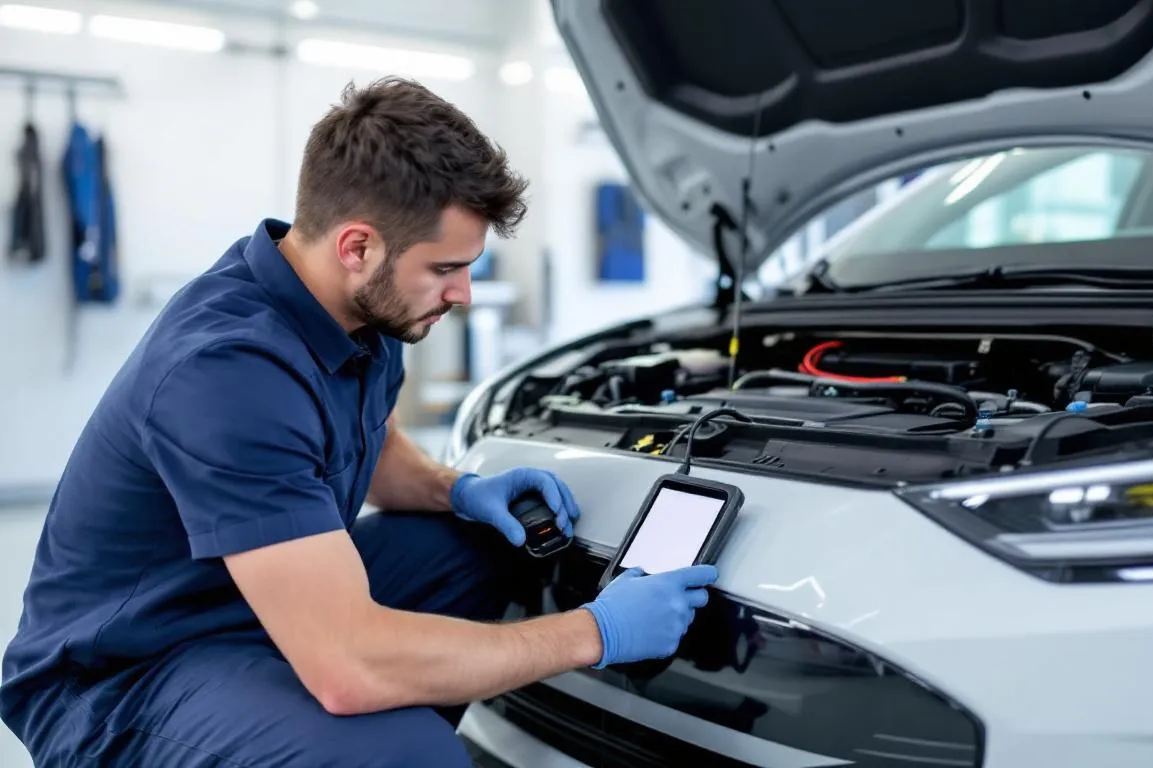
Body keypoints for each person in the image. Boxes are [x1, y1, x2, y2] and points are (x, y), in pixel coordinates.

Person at [0, 76, 718, 767]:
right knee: (402, 754)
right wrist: (594, 633)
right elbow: (348, 665)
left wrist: (457, 490)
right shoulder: (227, 371)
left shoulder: (361, 314)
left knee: (473, 542)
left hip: (254, 607)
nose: (464, 294)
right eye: (446, 268)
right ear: (358, 247)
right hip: (125, 676)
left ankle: (340, 720)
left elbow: (368, 446)